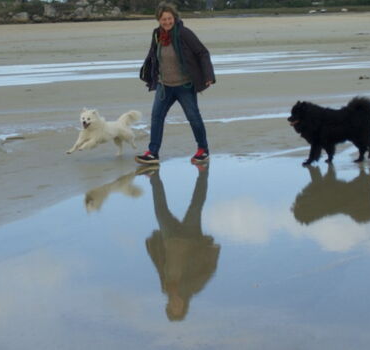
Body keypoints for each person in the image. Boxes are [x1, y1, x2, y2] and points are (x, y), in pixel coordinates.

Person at [136, 2, 215, 165]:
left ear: (174, 17)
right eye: (163, 19)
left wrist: (208, 75)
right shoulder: (157, 34)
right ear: (159, 20)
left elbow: (202, 53)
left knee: (193, 117)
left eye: (169, 18)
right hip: (164, 86)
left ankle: (203, 150)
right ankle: (153, 153)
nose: (167, 22)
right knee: (156, 117)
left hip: (184, 86)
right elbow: (153, 55)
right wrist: (148, 73)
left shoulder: (184, 33)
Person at [145, 164, 220, 321]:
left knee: (159, 210)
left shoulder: (165, 288)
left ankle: (154, 176)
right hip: (191, 238)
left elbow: (160, 265)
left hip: (169, 239)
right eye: (177, 308)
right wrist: (213, 251)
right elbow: (210, 269)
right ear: (185, 306)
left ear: (168, 306)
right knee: (196, 205)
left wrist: (152, 247)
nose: (175, 305)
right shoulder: (193, 287)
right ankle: (203, 173)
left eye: (172, 308)